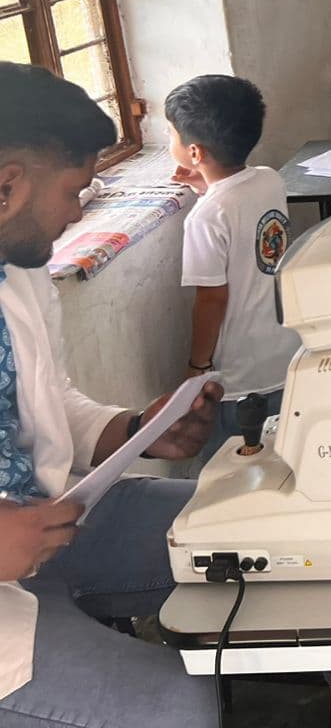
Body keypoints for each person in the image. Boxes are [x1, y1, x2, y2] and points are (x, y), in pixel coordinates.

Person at [0, 63, 221, 727]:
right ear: (7, 184)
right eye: (73, 191)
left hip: (49, 524)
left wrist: (132, 429)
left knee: (244, 530)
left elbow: (50, 399)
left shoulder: (18, 268)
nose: (78, 212)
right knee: (176, 707)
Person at [166, 74, 299, 462]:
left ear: (195, 152)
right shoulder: (271, 181)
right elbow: (244, 220)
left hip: (240, 379)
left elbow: (211, 299)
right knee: (284, 458)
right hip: (285, 354)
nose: (168, 139)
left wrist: (198, 366)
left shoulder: (206, 218)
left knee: (230, 468)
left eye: (171, 134)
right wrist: (207, 185)